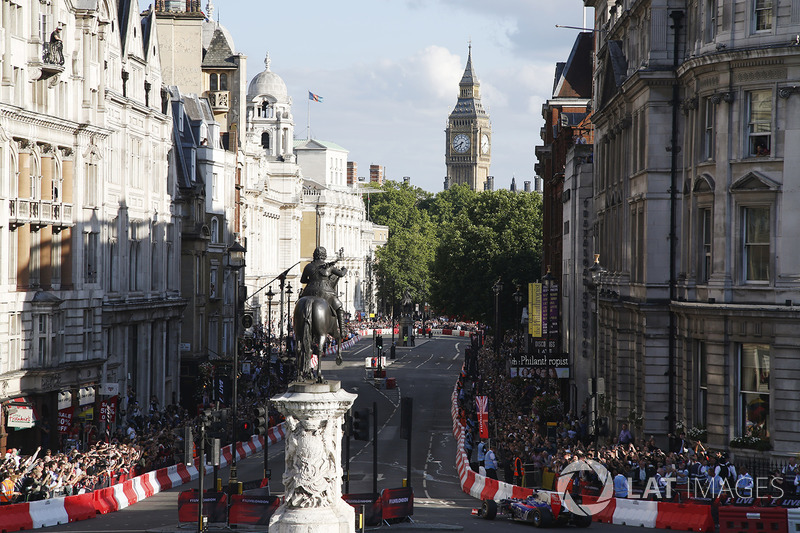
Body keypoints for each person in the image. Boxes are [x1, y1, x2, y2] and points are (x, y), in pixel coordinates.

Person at [299, 246, 347, 335]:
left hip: (309, 291)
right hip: (325, 292)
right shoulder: (329, 267)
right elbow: (341, 274)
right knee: (339, 307)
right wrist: (345, 269)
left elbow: (303, 280)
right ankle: (342, 330)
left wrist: (312, 280)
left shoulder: (308, 266)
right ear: (324, 255)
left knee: (300, 304)